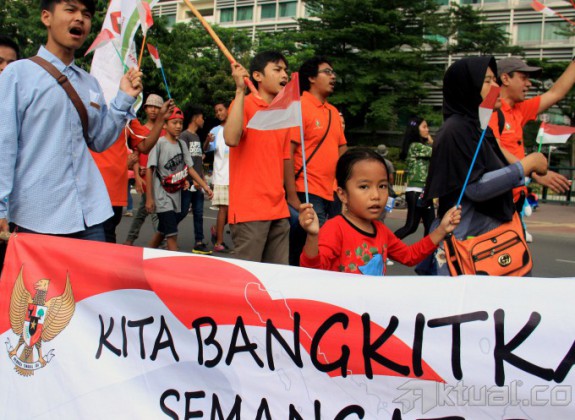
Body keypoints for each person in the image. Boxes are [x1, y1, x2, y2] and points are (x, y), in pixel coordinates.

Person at [0, 0, 143, 243]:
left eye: (86, 14)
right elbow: (4, 146)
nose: (79, 18)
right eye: (70, 10)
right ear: (46, 17)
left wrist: (123, 99)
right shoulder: (18, 74)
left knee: (95, 269)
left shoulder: (90, 84)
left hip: (91, 214)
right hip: (37, 217)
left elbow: (99, 141)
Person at [425, 56, 548, 276]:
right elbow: (475, 188)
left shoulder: (478, 127)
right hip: (466, 248)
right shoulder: (456, 131)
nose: (495, 87)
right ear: (468, 86)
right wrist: (525, 166)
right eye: (487, 81)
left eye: (495, 80)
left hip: (488, 245)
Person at [298, 148, 461, 275]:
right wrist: (312, 236)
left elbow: (409, 256)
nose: (376, 195)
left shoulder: (381, 230)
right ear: (342, 194)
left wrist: (441, 230)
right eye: (364, 187)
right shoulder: (335, 229)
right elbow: (313, 271)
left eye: (382, 186)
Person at [224, 51, 299, 264]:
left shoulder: (283, 113)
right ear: (257, 76)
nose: (284, 75)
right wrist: (240, 90)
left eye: (285, 70)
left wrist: (293, 200)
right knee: (247, 279)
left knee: (277, 278)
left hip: (279, 210)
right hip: (250, 211)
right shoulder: (244, 104)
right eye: (277, 69)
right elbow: (231, 138)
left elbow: (285, 159)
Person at [288, 56, 347, 265]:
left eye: (333, 72)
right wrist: (292, 196)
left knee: (330, 247)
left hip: (333, 191)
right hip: (308, 190)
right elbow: (288, 153)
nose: (333, 77)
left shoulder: (333, 111)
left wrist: (344, 186)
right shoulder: (299, 107)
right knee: (309, 249)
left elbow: (341, 148)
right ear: (311, 78)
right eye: (327, 72)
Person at [145, 107, 213, 251]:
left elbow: (190, 168)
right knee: (172, 235)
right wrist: (149, 198)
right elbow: (149, 169)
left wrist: (205, 187)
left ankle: (145, 256)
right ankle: (174, 263)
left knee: (162, 231)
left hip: (176, 196)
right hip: (162, 197)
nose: (178, 126)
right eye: (174, 123)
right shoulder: (159, 144)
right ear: (165, 125)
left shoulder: (182, 145)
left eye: (180, 123)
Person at [123, 94, 172, 246]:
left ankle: (130, 239)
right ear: (145, 109)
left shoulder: (165, 131)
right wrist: (137, 175)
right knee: (153, 210)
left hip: (162, 179)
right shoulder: (139, 129)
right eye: (150, 106)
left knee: (144, 211)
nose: (153, 110)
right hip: (146, 179)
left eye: (157, 107)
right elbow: (136, 155)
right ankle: (162, 242)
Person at [394, 117, 435, 240]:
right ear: (416, 130)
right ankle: (386, 246)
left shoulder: (420, 146)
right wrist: (431, 142)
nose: (427, 130)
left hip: (423, 191)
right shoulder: (415, 146)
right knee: (411, 226)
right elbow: (437, 152)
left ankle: (427, 252)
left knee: (430, 226)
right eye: (424, 127)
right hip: (416, 191)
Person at [180, 105, 211, 255]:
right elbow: (184, 161)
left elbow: (198, 161)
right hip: (188, 182)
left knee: (198, 213)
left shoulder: (197, 137)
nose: (203, 120)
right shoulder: (184, 136)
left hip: (198, 181)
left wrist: (203, 179)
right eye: (201, 117)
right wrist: (191, 179)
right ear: (195, 118)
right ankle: (166, 233)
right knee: (182, 211)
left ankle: (199, 242)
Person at [208, 101, 231, 252]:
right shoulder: (215, 131)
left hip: (237, 176)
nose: (218, 113)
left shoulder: (236, 127)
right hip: (222, 175)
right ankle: (219, 243)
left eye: (221, 110)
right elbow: (206, 150)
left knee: (233, 210)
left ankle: (217, 229)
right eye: (216, 111)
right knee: (223, 209)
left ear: (228, 109)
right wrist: (207, 141)